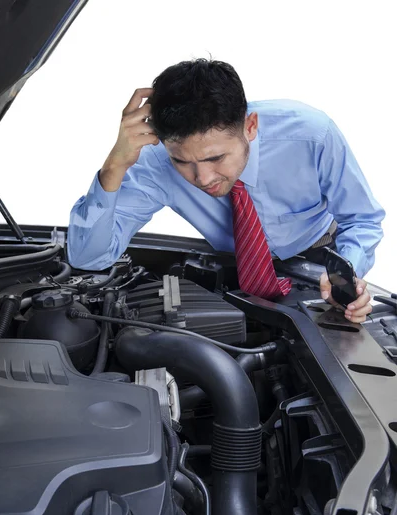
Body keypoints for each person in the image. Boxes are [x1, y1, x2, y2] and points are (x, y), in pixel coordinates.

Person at [68, 59, 385, 324]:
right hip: (237, 266)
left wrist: (348, 274)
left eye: (216, 158)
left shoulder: (312, 135)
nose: (203, 178)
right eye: (182, 161)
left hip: (317, 257)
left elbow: (362, 219)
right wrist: (114, 168)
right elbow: (88, 257)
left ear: (250, 126)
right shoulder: (156, 161)